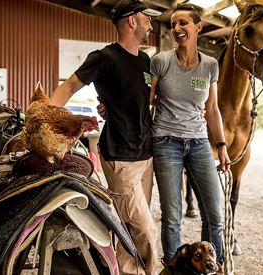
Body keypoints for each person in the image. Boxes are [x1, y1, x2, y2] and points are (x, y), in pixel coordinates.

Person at [49, 0, 161, 274]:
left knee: (127, 227)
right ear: (132, 21)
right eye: (147, 18)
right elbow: (69, 87)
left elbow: (138, 99)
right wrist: (47, 118)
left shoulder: (145, 60)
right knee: (147, 231)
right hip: (120, 156)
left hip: (145, 156)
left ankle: (124, 270)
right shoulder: (104, 58)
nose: (151, 24)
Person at [149, 3, 230, 272]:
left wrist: (222, 146)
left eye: (183, 23)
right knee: (172, 216)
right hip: (165, 142)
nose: (177, 28)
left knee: (214, 215)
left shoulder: (210, 65)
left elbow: (213, 109)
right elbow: (148, 102)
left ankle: (211, 268)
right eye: (173, 24)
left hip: (199, 142)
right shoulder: (161, 61)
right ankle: (174, 270)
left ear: (198, 27)